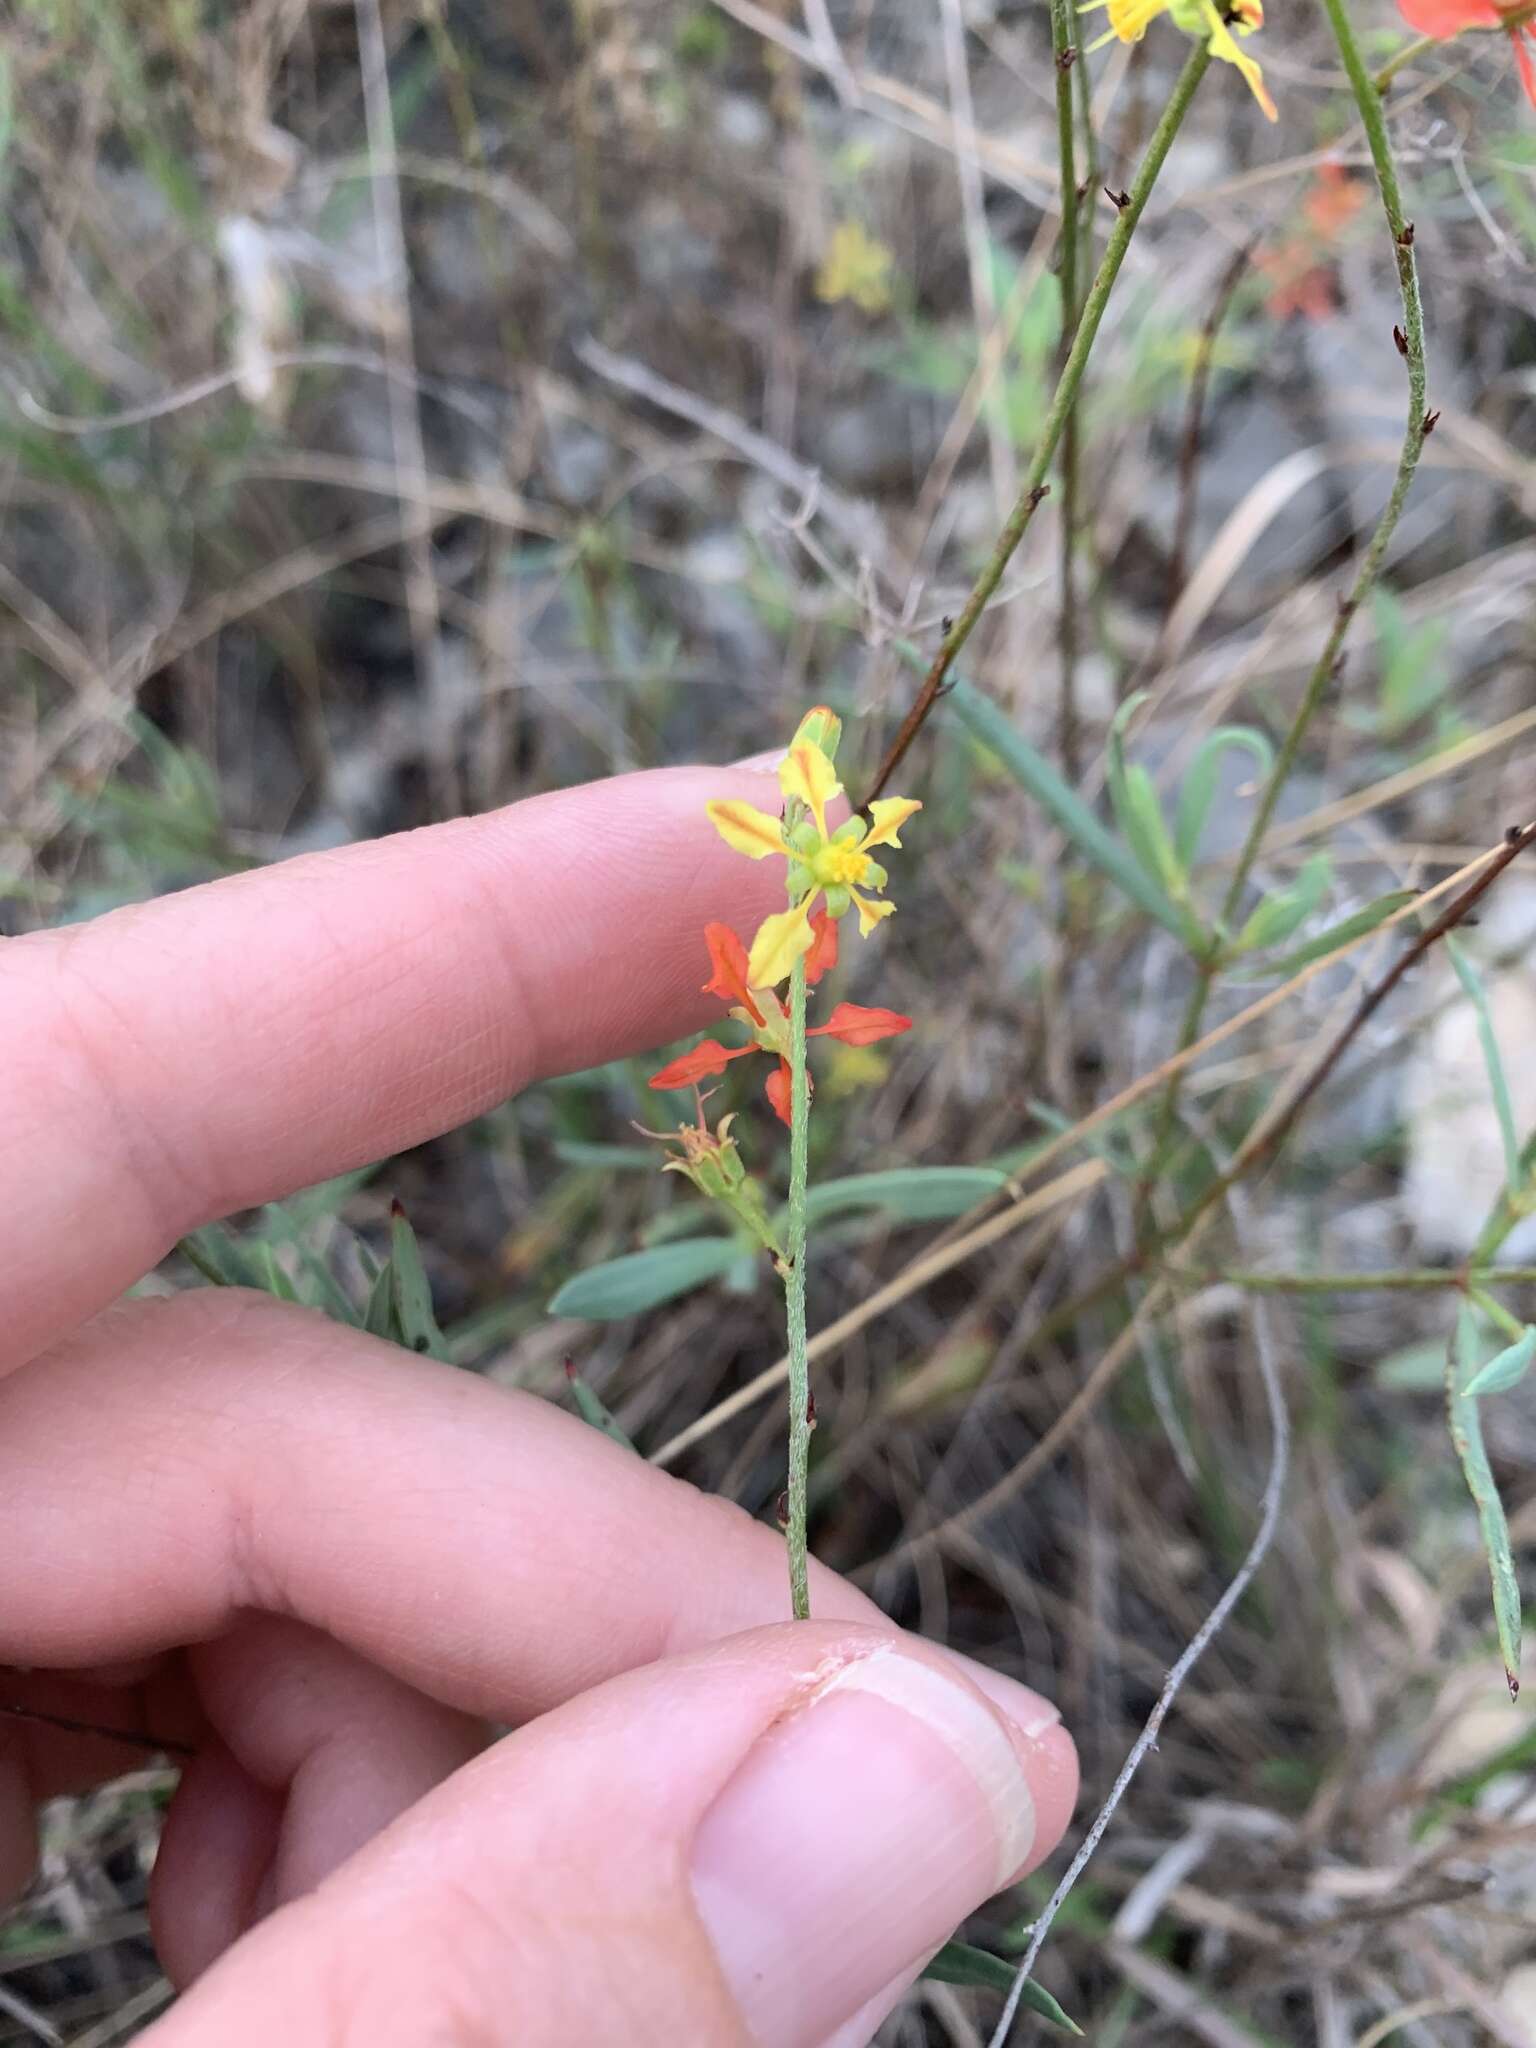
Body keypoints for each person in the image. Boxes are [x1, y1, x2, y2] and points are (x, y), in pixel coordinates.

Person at [0, 756, 1077, 2046]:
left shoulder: (801, 948)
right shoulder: (776, 933)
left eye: (846, 860)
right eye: (833, 860)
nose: (840, 869)